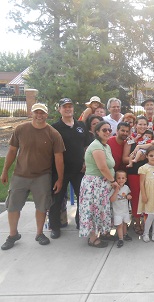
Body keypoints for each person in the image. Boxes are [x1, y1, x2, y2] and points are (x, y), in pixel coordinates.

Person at [1, 103, 65, 250]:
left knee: (42, 207)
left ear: (46, 115)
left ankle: (39, 233)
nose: (39, 115)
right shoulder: (21, 129)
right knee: (12, 206)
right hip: (20, 175)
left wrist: (60, 179)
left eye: (42, 113)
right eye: (36, 112)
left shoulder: (53, 134)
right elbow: (11, 151)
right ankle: (12, 235)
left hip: (42, 176)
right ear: (31, 113)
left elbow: (59, 158)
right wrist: (5, 171)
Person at [49, 98, 91, 239]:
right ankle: (55, 227)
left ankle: (81, 223)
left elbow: (86, 146)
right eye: (64, 107)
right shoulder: (54, 127)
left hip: (79, 170)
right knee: (57, 199)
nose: (68, 109)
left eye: (70, 107)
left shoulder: (81, 126)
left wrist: (86, 161)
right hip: (60, 171)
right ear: (59, 109)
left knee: (83, 198)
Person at [79, 121, 118, 248]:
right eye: (104, 130)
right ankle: (93, 238)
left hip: (102, 183)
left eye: (109, 130)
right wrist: (112, 181)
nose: (107, 132)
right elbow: (102, 167)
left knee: (102, 210)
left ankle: (103, 232)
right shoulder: (96, 146)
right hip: (94, 184)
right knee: (94, 210)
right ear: (97, 132)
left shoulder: (105, 146)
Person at [123, 116, 149, 235]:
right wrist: (136, 158)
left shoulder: (149, 139)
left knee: (148, 198)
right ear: (135, 125)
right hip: (134, 173)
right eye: (140, 124)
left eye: (145, 124)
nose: (142, 127)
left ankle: (147, 223)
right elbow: (124, 158)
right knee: (136, 199)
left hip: (147, 173)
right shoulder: (130, 139)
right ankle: (137, 222)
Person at [137, 146, 154, 243]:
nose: (153, 157)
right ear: (147, 156)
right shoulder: (144, 168)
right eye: (151, 155)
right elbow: (141, 183)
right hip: (148, 194)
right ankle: (145, 233)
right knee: (151, 214)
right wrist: (143, 195)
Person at [109, 170, 132, 248]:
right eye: (119, 178)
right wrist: (116, 191)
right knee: (119, 225)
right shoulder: (113, 188)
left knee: (125, 224)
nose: (121, 180)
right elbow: (111, 200)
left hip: (125, 210)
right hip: (117, 212)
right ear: (115, 179)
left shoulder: (126, 187)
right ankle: (120, 238)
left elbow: (128, 194)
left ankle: (125, 234)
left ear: (125, 179)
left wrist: (129, 196)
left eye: (123, 178)